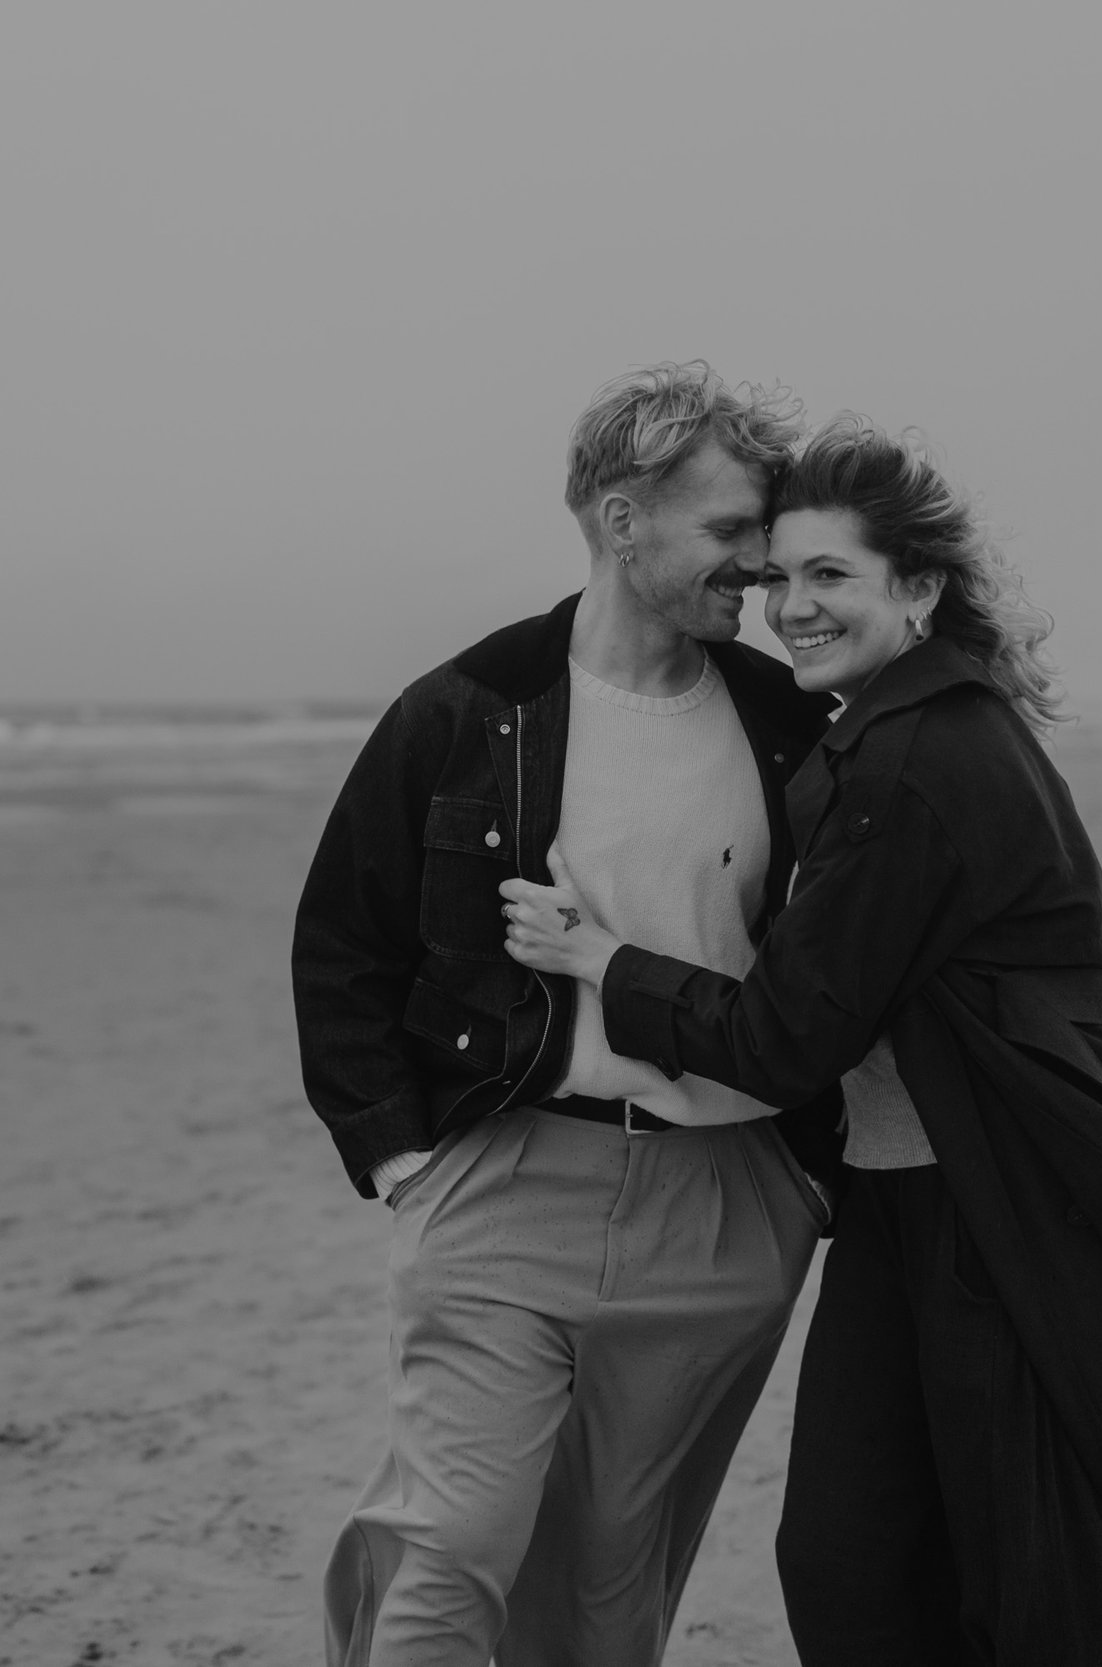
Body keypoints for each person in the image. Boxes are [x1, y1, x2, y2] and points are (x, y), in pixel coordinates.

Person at [502, 416, 1102, 1663]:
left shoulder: (916, 759)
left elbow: (784, 1036)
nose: (790, 604)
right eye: (777, 574)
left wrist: (600, 959)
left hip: (999, 1205)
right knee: (878, 1562)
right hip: (912, 1198)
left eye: (828, 573)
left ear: (918, 587)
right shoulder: (913, 730)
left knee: (1017, 1570)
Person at [291, 361, 846, 1667]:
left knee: (607, 1588)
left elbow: (842, 959)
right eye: (729, 531)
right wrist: (405, 1161)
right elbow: (343, 942)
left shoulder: (790, 721)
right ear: (620, 518)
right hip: (504, 1183)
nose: (758, 569)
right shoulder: (466, 709)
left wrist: (803, 1185)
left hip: (726, 1202)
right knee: (450, 1540)